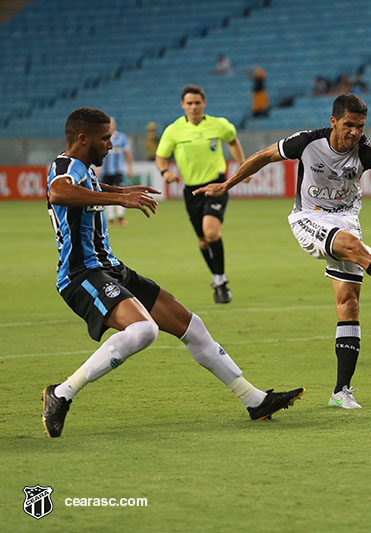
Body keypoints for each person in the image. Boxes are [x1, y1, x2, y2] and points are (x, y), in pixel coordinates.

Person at [41, 108, 304, 438]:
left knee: (190, 325)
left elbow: (83, 188)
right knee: (143, 331)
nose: (110, 144)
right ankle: (62, 394)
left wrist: (122, 193)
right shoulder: (65, 166)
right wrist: (117, 198)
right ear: (82, 139)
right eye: (104, 138)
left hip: (110, 268)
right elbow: (58, 192)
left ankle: (255, 400)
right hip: (81, 275)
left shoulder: (82, 170)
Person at [193, 93, 371, 410]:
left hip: (346, 220)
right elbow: (263, 156)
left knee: (349, 305)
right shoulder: (307, 142)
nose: (355, 132)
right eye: (348, 125)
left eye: (360, 126)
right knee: (354, 248)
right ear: (333, 121)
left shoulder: (366, 149)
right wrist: (227, 185)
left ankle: (341, 392)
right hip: (309, 219)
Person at [155, 85, 245, 304]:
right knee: (203, 241)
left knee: (211, 232)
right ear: (183, 105)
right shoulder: (174, 130)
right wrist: (165, 172)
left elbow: (233, 141)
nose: (193, 107)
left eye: (197, 102)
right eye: (189, 103)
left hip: (216, 185)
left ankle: (221, 281)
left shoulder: (219, 124)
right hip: (191, 190)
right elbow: (161, 156)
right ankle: (218, 280)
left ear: (204, 103)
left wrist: (243, 166)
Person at [96, 117, 133, 227]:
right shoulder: (101, 138)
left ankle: (120, 217)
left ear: (115, 124)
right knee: (107, 195)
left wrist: (130, 167)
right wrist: (96, 167)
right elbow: (96, 153)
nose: (111, 125)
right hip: (105, 171)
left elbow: (127, 153)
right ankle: (111, 219)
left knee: (120, 192)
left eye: (112, 123)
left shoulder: (121, 137)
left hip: (118, 170)